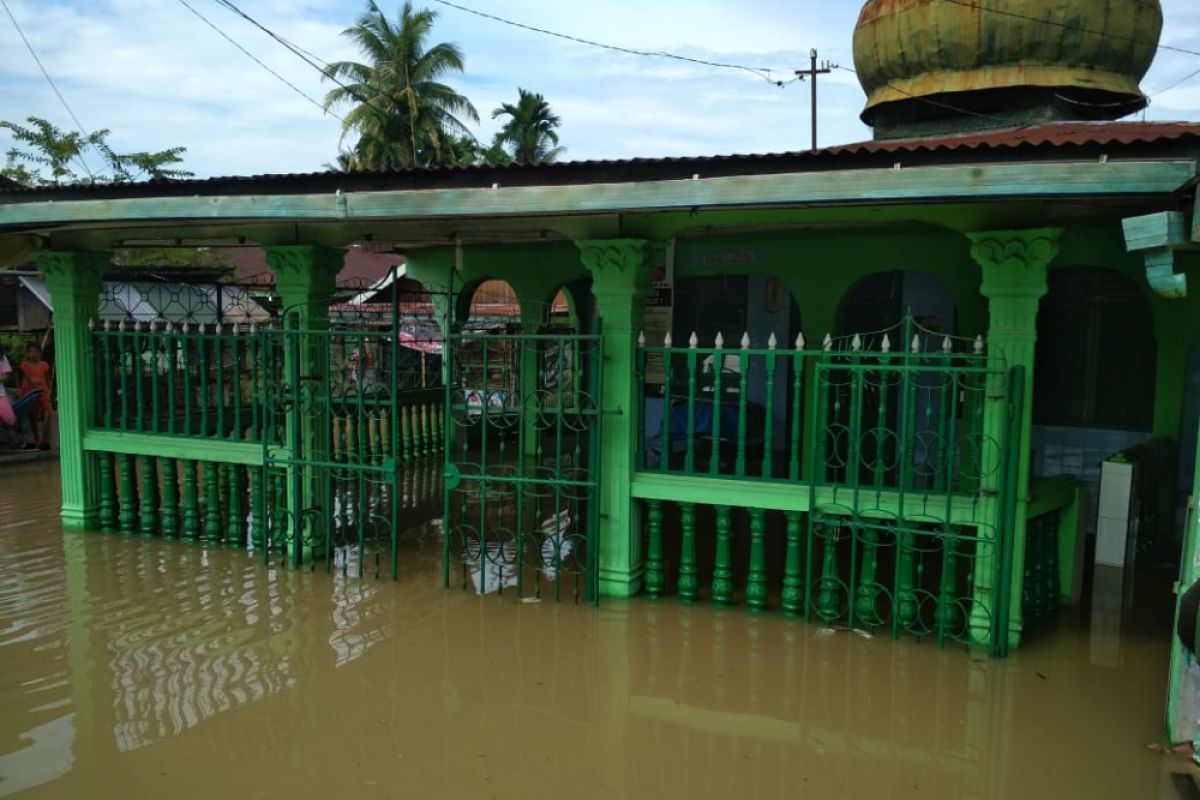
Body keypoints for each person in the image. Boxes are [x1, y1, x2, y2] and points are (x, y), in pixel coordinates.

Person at [18, 343, 52, 450]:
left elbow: (47, 379)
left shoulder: (44, 365)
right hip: (30, 393)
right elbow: (29, 379)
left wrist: (49, 391)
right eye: (31, 352)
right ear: (27, 354)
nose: (34, 354)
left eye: (36, 352)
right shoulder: (24, 365)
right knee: (33, 415)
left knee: (48, 412)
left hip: (43, 391)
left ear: (40, 354)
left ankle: (43, 438)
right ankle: (37, 439)